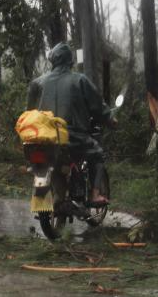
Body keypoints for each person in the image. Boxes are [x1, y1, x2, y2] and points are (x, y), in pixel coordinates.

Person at [26, 42, 116, 205]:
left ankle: (44, 198)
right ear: (70, 61)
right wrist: (110, 119)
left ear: (53, 60)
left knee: (42, 163)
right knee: (98, 155)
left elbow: (29, 110)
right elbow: (97, 105)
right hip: (72, 136)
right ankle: (95, 195)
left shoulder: (38, 82)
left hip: (43, 138)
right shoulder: (80, 80)